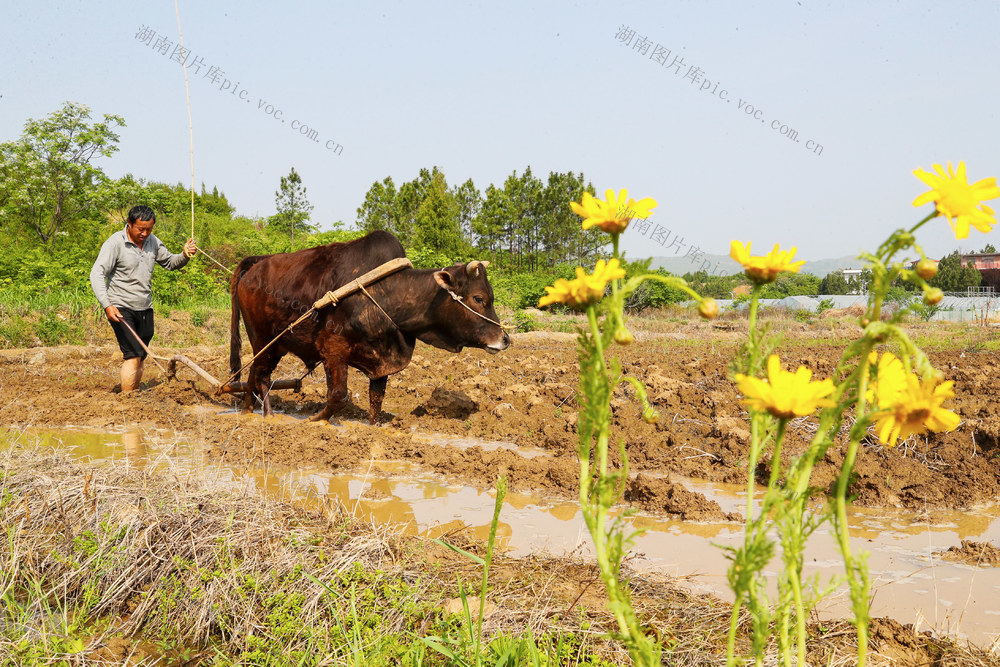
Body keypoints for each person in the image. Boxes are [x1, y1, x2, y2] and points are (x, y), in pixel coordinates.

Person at [90, 205, 197, 392]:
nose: (145, 233)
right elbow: (96, 274)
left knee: (140, 355)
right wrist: (107, 305)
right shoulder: (114, 243)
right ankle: (128, 400)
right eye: (141, 229)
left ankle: (132, 393)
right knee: (132, 355)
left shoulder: (152, 242)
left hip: (145, 308)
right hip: (121, 308)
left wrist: (185, 255)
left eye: (149, 229)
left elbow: (170, 263)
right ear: (129, 224)